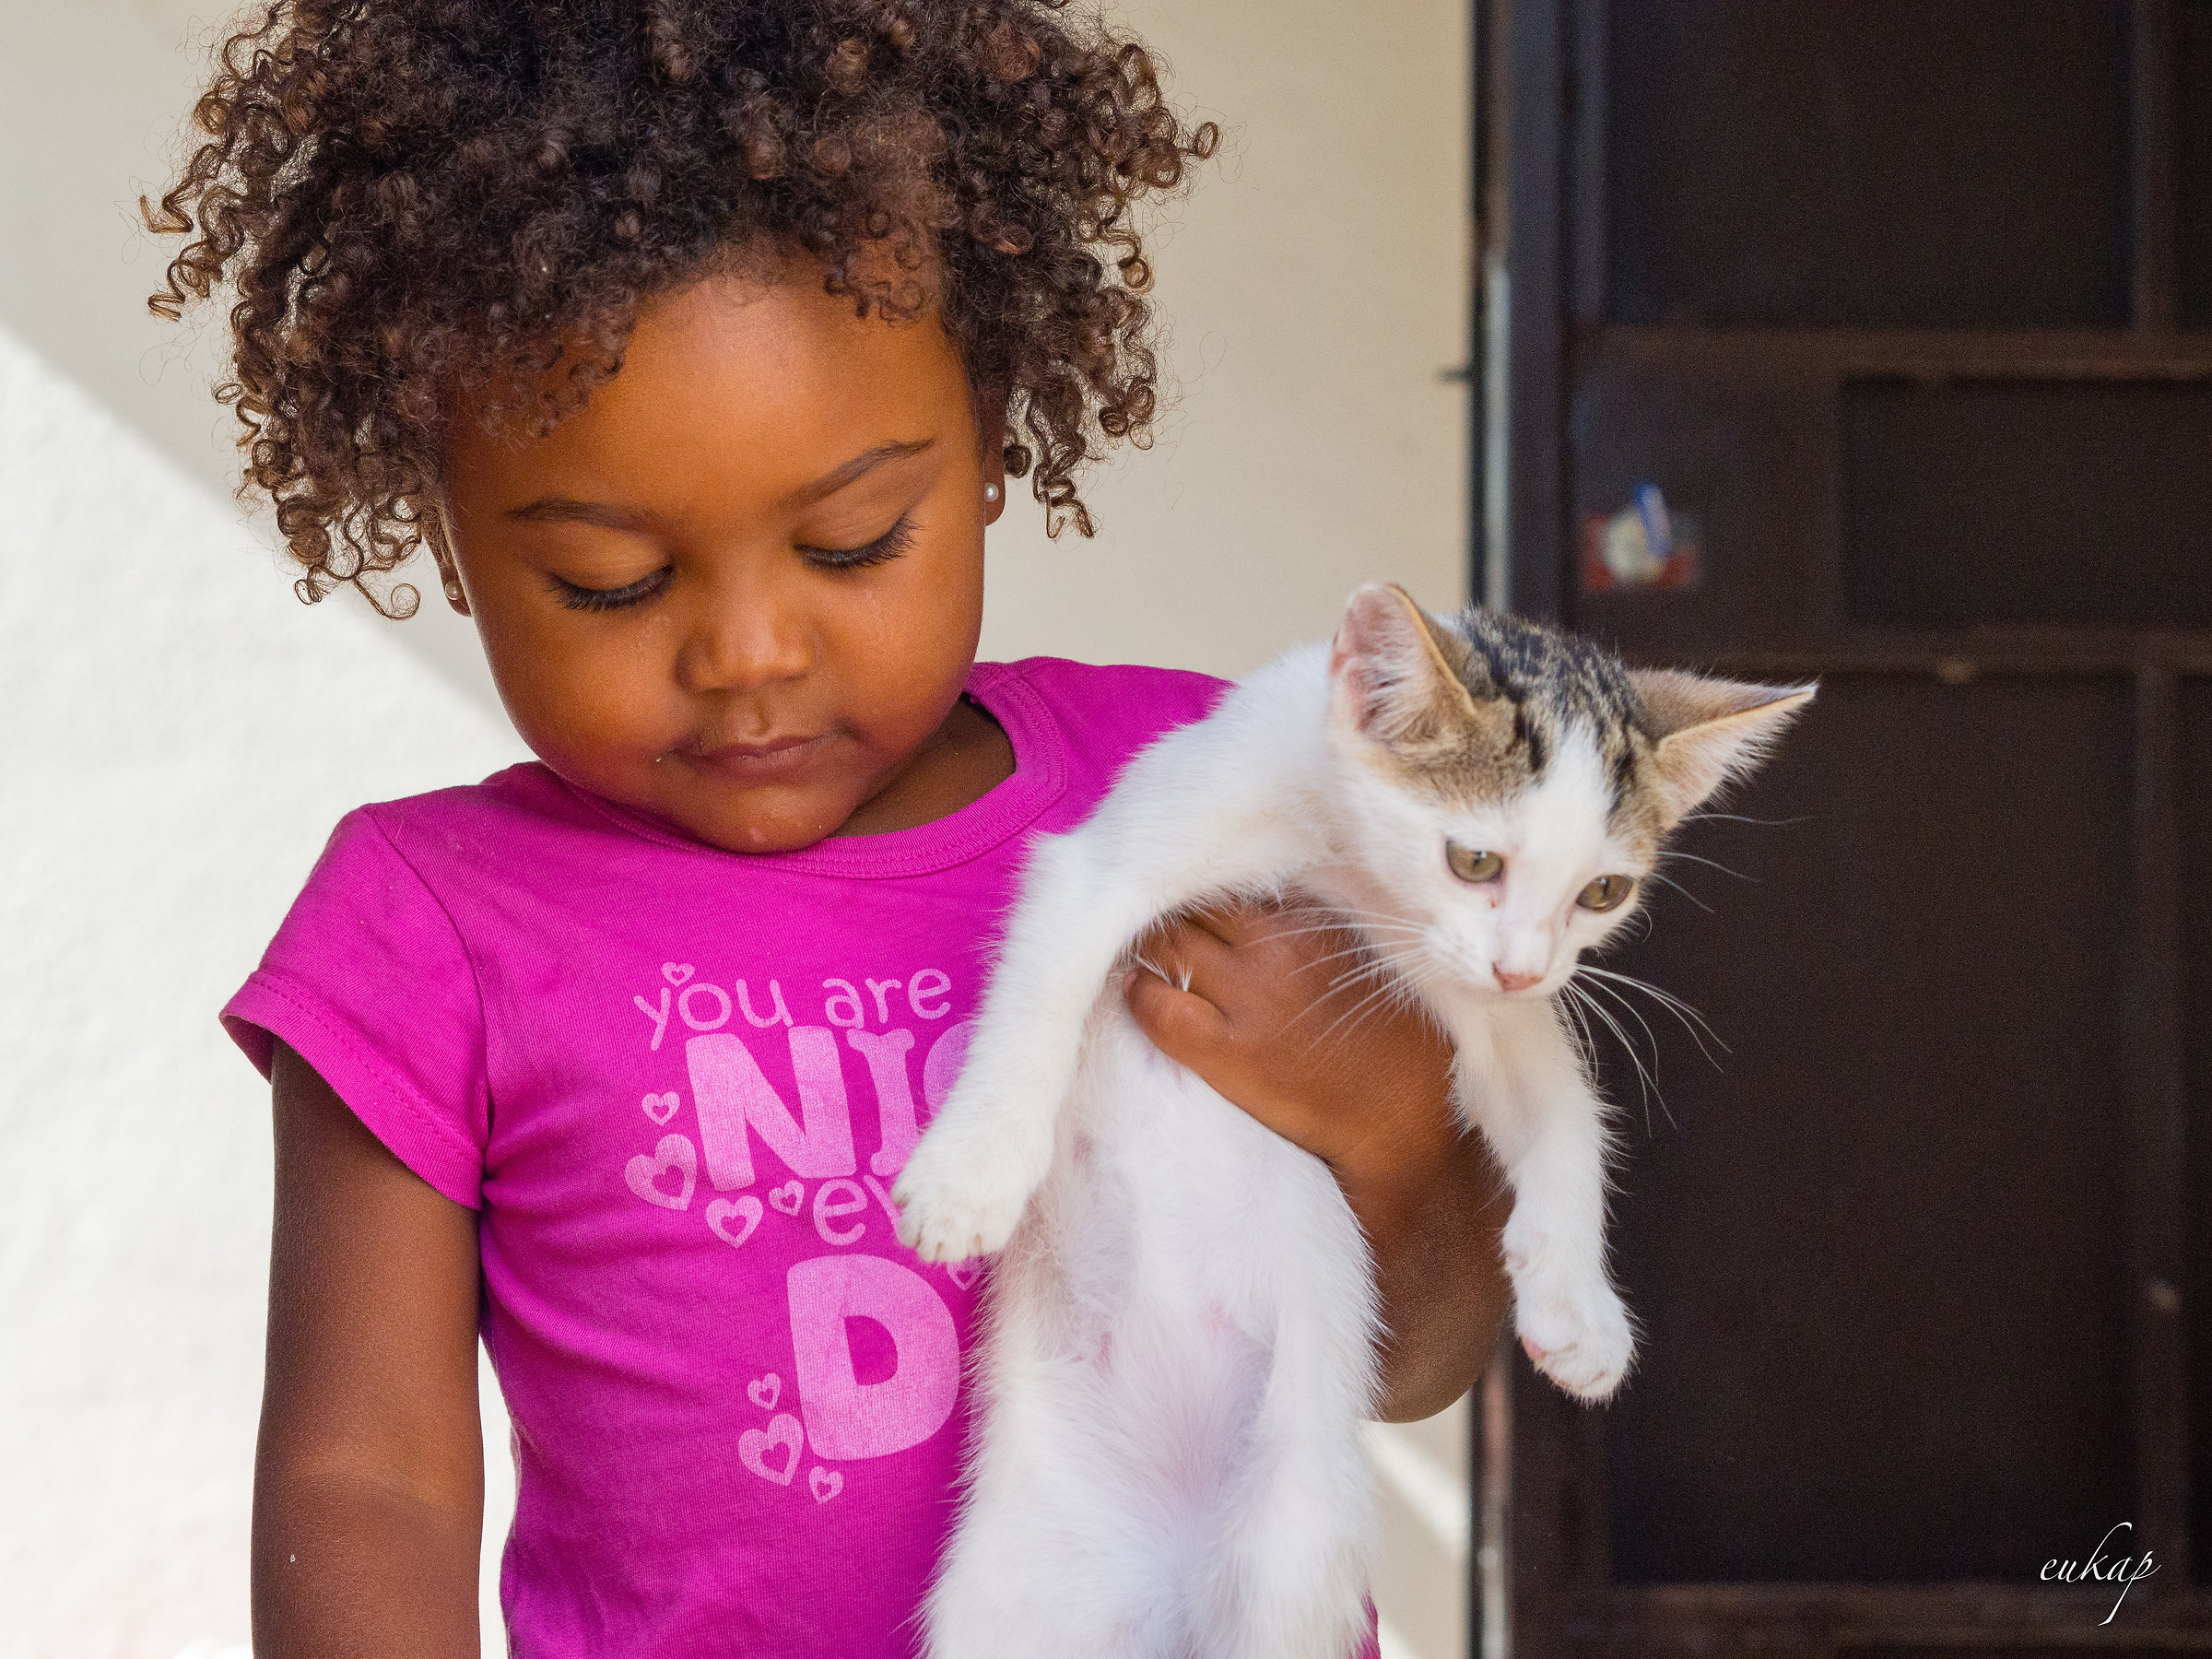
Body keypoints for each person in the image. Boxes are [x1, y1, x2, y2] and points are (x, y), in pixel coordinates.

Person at [148, 2, 1512, 1652]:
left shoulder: (1192, 791)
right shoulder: (427, 926)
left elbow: (1419, 1369)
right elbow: (370, 1484)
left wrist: (1390, 1126)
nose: (748, 656)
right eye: (612, 581)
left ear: (993, 432)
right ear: (443, 527)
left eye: (856, 541)